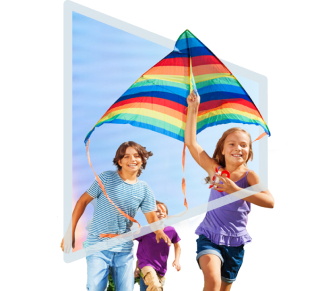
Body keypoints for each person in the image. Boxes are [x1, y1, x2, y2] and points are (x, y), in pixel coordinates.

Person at [185, 91, 274, 291]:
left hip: (235, 242)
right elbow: (191, 143)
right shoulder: (216, 171)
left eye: (243, 145)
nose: (238, 148)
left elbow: (270, 202)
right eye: (232, 144)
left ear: (249, 151)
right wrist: (193, 109)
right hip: (209, 236)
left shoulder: (250, 176)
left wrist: (236, 190)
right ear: (222, 149)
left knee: (224, 287)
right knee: (213, 281)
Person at [61, 141, 171, 291]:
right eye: (127, 156)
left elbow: (151, 216)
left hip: (124, 249)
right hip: (98, 245)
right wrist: (70, 232)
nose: (132, 159)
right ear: (119, 161)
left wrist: (159, 231)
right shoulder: (106, 178)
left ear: (142, 160)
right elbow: (82, 201)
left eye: (137, 156)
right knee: (95, 287)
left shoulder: (144, 189)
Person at [134, 201, 181, 291]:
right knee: (155, 286)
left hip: (161, 270)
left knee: (153, 287)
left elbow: (177, 246)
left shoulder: (171, 231)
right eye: (158, 211)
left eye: (164, 211)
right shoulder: (145, 230)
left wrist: (177, 260)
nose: (161, 213)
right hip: (146, 266)